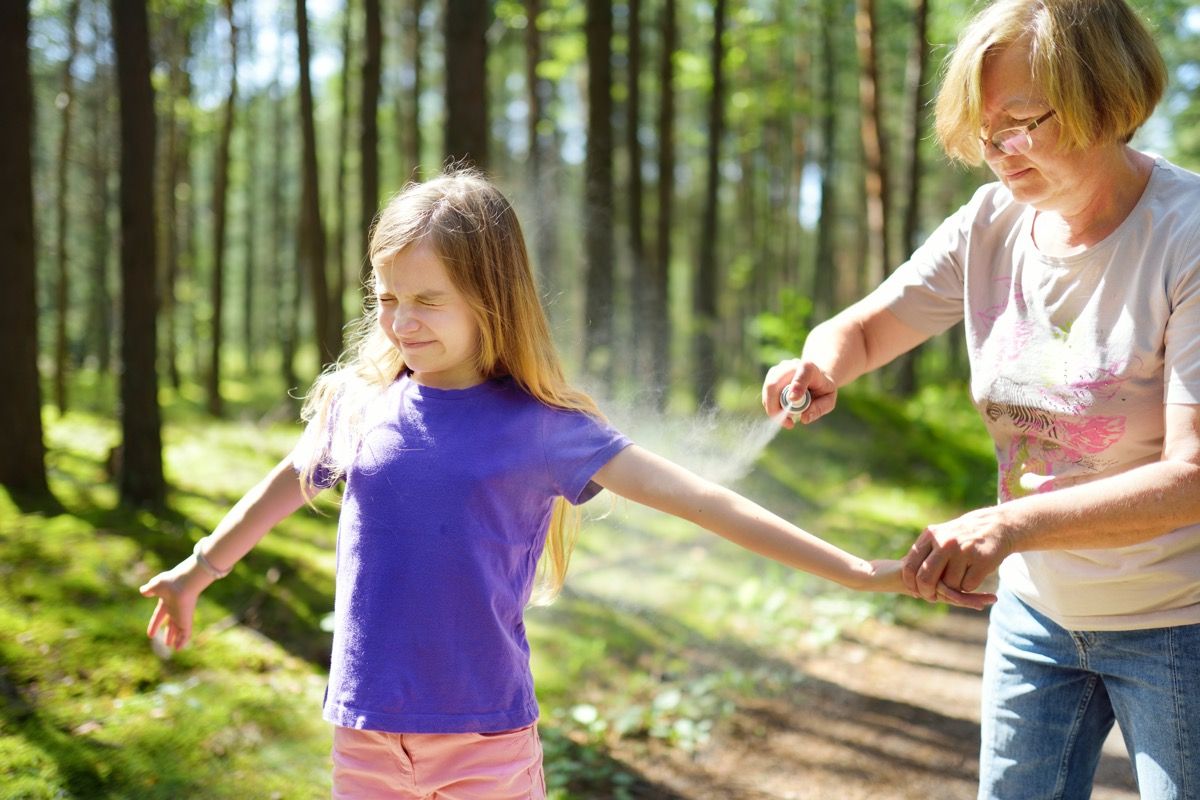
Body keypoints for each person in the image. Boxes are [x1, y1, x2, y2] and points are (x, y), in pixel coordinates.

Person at [140, 170, 990, 799]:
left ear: (491, 297)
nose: (401, 321)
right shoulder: (358, 408)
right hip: (363, 739)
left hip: (487, 747)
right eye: (388, 297)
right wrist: (196, 570)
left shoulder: (543, 429)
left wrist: (858, 571)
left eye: (427, 300)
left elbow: (705, 501)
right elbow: (288, 481)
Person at [764, 0, 1200, 797]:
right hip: (1035, 617)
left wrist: (1008, 526)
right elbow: (861, 332)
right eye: (982, 129)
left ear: (1105, 96)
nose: (997, 152)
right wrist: (818, 365)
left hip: (1180, 621)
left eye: (1019, 122)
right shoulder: (993, 222)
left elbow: (1193, 476)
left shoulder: (1187, 237)